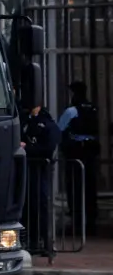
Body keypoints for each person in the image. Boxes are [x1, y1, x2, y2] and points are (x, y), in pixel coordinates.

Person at [58, 80, 100, 233]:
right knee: (90, 186)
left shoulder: (72, 111)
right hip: (90, 151)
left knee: (75, 187)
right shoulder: (93, 108)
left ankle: (77, 222)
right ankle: (91, 222)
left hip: (76, 152)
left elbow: (59, 129)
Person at [21, 104, 61, 255]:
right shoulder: (28, 122)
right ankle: (33, 241)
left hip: (40, 170)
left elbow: (48, 148)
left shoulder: (47, 125)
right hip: (31, 170)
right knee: (30, 205)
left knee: (41, 205)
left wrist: (27, 148)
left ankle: (45, 242)